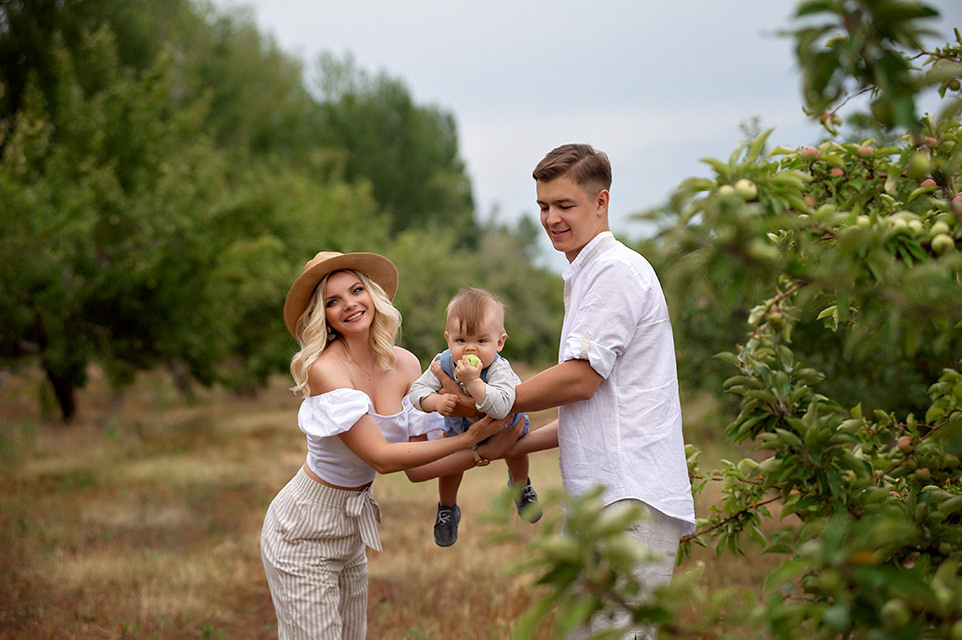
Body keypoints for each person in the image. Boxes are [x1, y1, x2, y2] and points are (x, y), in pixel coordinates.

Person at [434, 144, 696, 639]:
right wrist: (510, 440)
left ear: (602, 202)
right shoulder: (585, 273)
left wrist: (495, 402)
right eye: (543, 206)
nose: (551, 218)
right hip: (603, 497)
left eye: (564, 205)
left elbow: (580, 380)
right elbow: (600, 410)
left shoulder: (615, 270)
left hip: (628, 497)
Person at [260, 251, 517, 640]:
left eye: (356, 290)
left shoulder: (406, 364)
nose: (349, 304)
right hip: (303, 527)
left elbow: (416, 470)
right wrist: (470, 441)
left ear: (372, 295)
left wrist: (480, 452)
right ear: (322, 316)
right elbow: (381, 458)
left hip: (352, 525)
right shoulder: (326, 370)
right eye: (332, 301)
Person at [408, 286, 542, 547]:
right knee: (449, 462)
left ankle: (520, 486)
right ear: (448, 339)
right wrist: (434, 401)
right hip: (460, 429)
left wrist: (474, 383)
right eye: (461, 341)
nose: (471, 349)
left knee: (516, 452)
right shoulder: (444, 362)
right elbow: (417, 391)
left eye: (481, 341)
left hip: (504, 427)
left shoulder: (499, 369)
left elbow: (502, 406)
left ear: (499, 342)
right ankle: (447, 507)